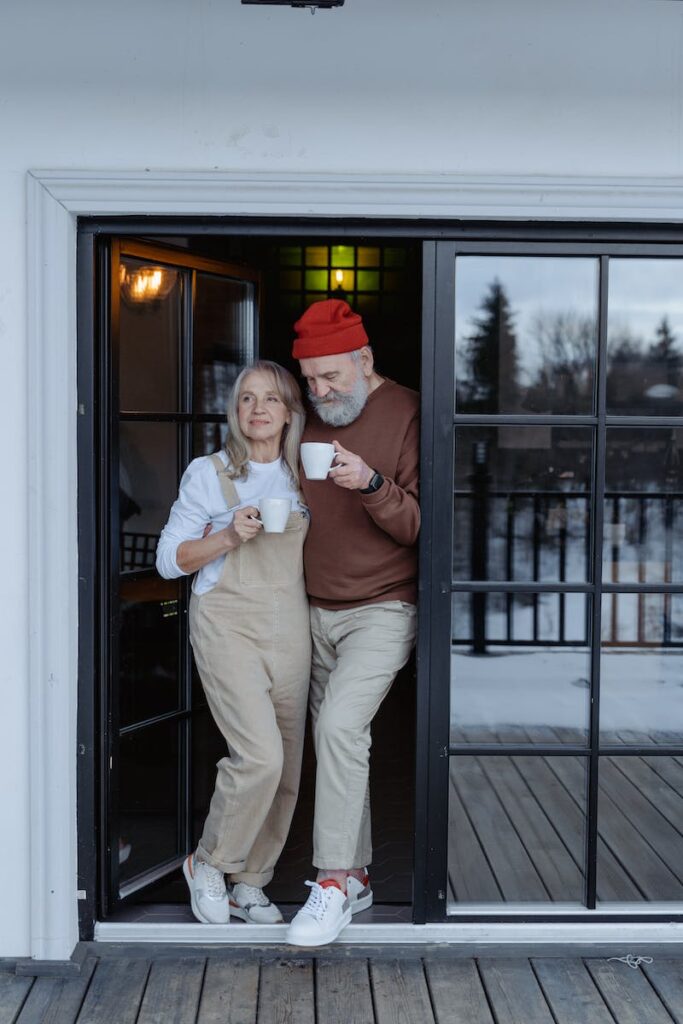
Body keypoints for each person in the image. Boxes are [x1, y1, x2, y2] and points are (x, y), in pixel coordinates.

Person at [156, 361, 310, 926]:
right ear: (235, 412)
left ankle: (251, 881)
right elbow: (168, 558)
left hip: (290, 622)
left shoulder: (304, 473)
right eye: (246, 399)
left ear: (290, 411)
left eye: (271, 398)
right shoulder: (210, 472)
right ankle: (210, 861)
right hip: (226, 621)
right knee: (260, 755)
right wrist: (225, 535)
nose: (258, 409)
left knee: (288, 765)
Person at [286, 299, 420, 946]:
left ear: (364, 359)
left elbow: (422, 525)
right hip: (307, 607)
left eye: (331, 377)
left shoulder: (408, 411)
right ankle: (359, 875)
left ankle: (332, 881)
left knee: (339, 726)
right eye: (309, 380)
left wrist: (370, 484)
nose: (319, 392)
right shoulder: (302, 418)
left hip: (383, 606)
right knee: (334, 743)